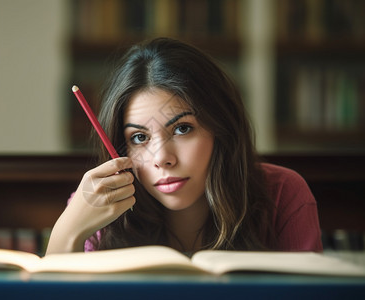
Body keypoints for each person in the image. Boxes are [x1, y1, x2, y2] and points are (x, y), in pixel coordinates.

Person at [46, 37, 323, 255]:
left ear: (221, 128)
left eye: (182, 129)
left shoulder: (283, 193)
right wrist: (67, 231)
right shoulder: (96, 203)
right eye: (139, 138)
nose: (162, 158)